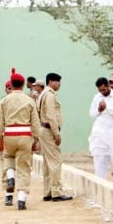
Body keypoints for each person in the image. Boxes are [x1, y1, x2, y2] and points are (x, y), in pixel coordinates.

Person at [0, 69, 40, 210]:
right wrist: (36, 141)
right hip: (25, 136)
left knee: (8, 157)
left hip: (9, 136)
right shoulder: (29, 101)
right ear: (24, 85)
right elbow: (35, 124)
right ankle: (21, 199)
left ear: (11, 84)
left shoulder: (4, 101)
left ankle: (10, 176)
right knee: (24, 167)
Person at [38, 72, 71, 201]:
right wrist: (56, 133)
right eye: (58, 81)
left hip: (43, 128)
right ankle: (56, 192)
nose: (59, 84)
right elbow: (51, 115)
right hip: (49, 130)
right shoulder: (50, 95)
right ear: (51, 81)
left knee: (47, 163)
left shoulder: (43, 94)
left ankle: (48, 192)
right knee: (56, 161)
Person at [89, 77, 113, 186]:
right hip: (99, 135)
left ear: (108, 86)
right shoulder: (97, 97)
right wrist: (99, 110)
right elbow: (92, 114)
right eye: (100, 90)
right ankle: (100, 188)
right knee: (100, 163)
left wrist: (107, 107)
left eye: (104, 90)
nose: (102, 92)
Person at [0, 81, 14, 200]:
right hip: (5, 137)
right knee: (6, 164)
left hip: (19, 137)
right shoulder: (0, 103)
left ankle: (19, 194)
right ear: (6, 89)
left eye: (12, 88)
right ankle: (8, 194)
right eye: (8, 88)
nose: (10, 90)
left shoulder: (23, 101)